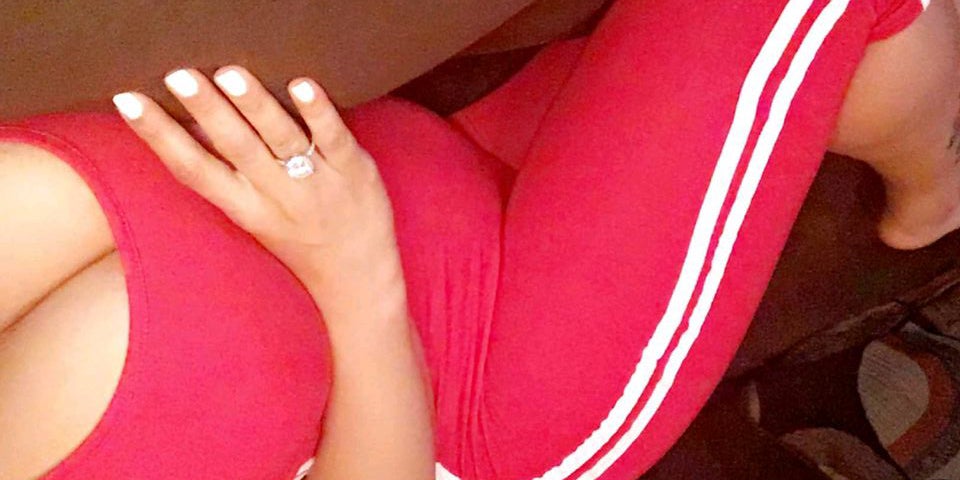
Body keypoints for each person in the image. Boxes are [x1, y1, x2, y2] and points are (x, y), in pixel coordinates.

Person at [1, 0, 958, 479]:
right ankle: (942, 190)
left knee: (777, 63)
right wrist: (358, 274)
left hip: (383, 172)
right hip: (476, 389)